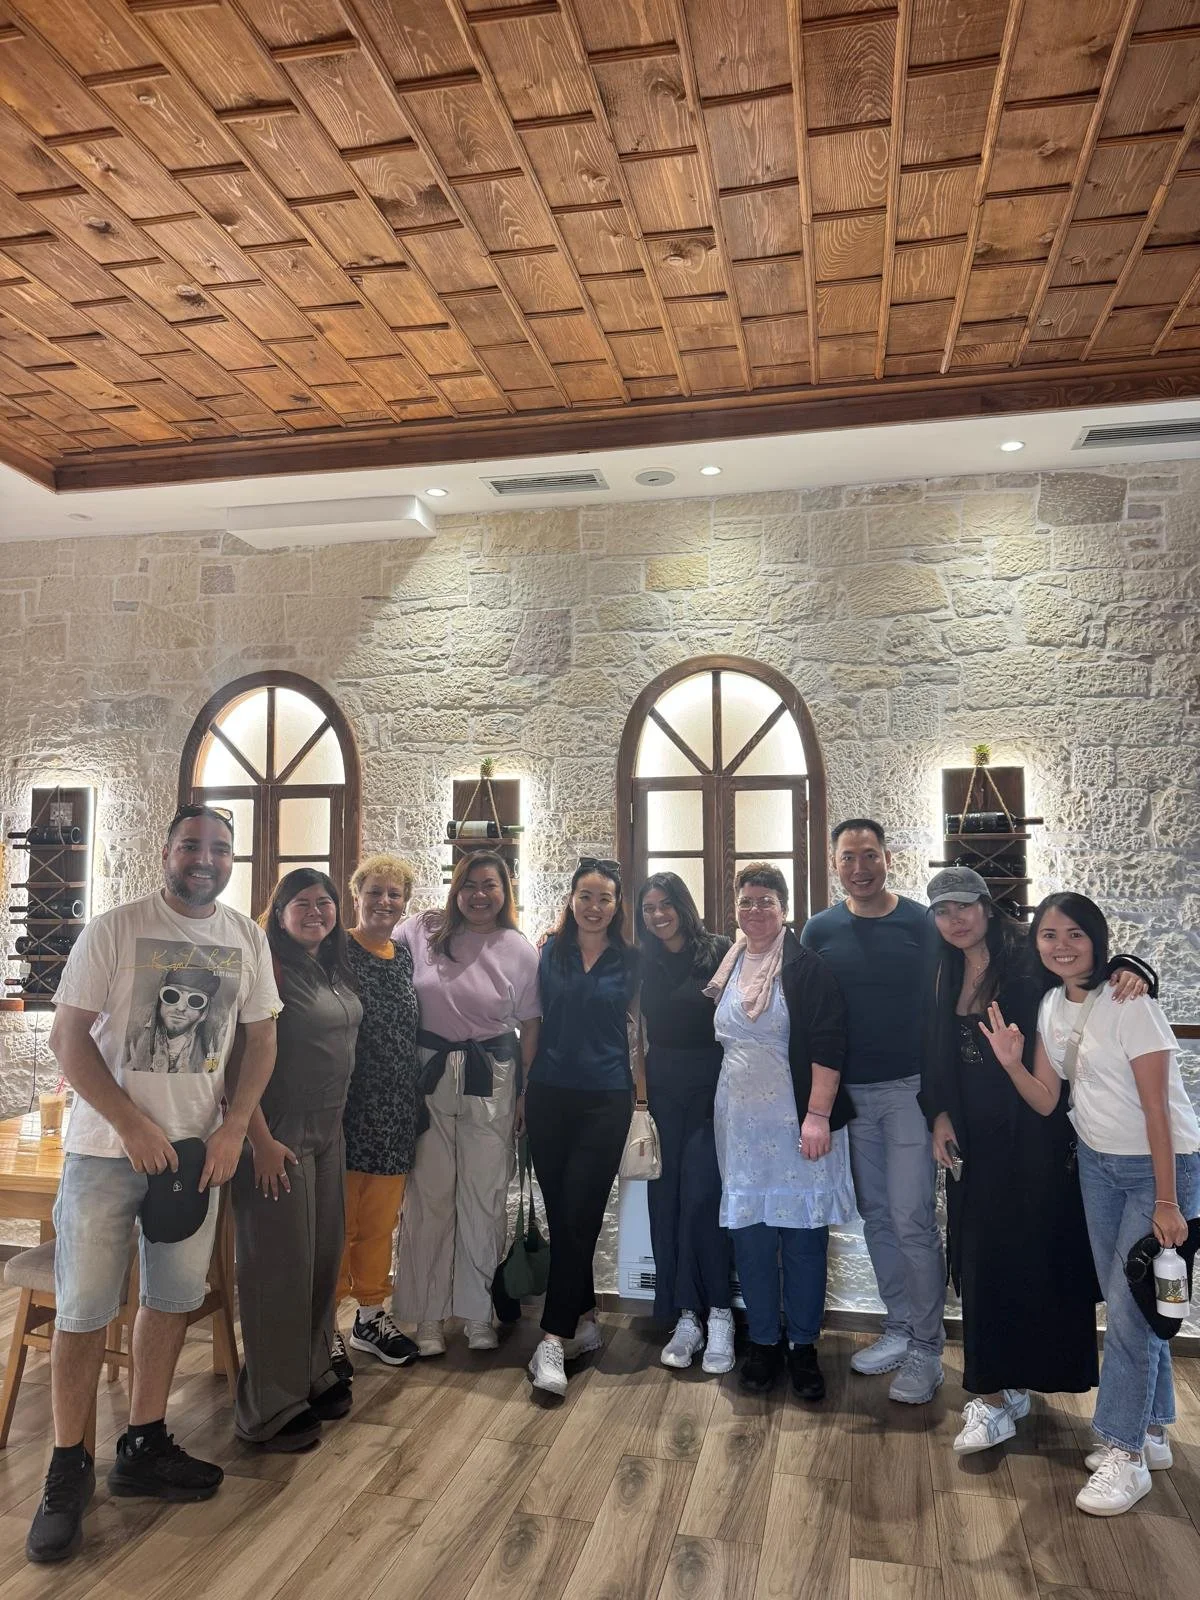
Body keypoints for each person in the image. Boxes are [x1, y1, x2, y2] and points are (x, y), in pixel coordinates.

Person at [28, 804, 280, 1566]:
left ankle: (142, 1443)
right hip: (107, 1153)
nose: (205, 859)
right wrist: (131, 1124)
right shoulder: (115, 929)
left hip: (198, 1155)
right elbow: (67, 1038)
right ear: (165, 852)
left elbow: (262, 1039)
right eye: (191, 846)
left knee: (171, 1301)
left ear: (232, 860)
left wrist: (235, 1127)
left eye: (219, 849)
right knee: (83, 1310)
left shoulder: (245, 937)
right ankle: (67, 1465)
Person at [980, 892, 1200, 1517]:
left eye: (1074, 933)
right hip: (1098, 1167)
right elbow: (1048, 1100)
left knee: (1132, 1315)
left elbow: (1159, 1108)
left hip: (1162, 1167)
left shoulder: (1133, 1003)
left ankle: (1123, 1453)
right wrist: (1008, 1062)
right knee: (1137, 1301)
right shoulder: (1051, 1005)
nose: (1061, 945)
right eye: (1049, 935)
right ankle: (1153, 1428)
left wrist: (1166, 1200)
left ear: (1097, 939)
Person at [923, 868, 1101, 1455]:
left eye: (964, 906)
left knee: (1036, 1256)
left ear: (986, 906)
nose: (955, 919)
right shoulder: (942, 964)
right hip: (974, 1134)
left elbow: (1087, 969)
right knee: (981, 1260)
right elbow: (937, 1047)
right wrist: (940, 1115)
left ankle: (1018, 1388)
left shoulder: (1029, 956)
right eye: (943, 910)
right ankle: (996, 1393)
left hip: (1035, 1130)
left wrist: (1132, 972)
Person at [800, 819, 946, 1404]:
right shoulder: (819, 929)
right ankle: (900, 1327)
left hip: (911, 1092)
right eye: (847, 858)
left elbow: (959, 987)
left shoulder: (921, 923)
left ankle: (929, 1348)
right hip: (851, 1098)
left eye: (869, 855)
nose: (859, 867)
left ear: (887, 858)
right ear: (835, 864)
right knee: (878, 1217)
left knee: (912, 1219)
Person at [707, 862, 853, 1400]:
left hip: (797, 1122)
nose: (755, 910)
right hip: (740, 1123)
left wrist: (817, 1116)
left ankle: (804, 1347)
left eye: (766, 900)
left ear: (785, 909)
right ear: (736, 910)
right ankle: (764, 1342)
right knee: (751, 1237)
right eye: (746, 901)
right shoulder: (727, 965)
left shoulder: (806, 968)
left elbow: (828, 1043)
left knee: (803, 1239)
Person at [232, 869, 362, 1452]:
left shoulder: (330, 967)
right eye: (302, 903)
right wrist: (257, 1139)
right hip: (277, 1134)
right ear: (278, 911)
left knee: (321, 1261)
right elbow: (236, 1062)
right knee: (276, 1269)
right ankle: (268, 1404)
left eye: (326, 902)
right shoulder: (266, 969)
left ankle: (310, 1372)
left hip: (328, 1133)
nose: (317, 911)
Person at [392, 851, 540, 1355]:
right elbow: (381, 961)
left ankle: (479, 1313)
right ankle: (428, 1317)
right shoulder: (423, 929)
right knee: (429, 1195)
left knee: (484, 1194)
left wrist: (525, 1092)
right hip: (428, 1070)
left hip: (492, 1074)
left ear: (505, 892)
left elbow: (532, 1024)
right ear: (456, 889)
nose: (480, 894)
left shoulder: (517, 947)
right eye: (470, 884)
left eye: (491, 885)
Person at [525, 859, 637, 1397]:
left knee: (583, 1209)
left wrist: (644, 1096)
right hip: (549, 1093)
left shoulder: (631, 961)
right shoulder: (548, 952)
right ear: (570, 899)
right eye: (586, 896)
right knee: (565, 1212)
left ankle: (551, 1338)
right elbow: (531, 1021)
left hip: (606, 1097)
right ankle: (586, 1315)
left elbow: (646, 1032)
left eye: (606, 898)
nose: (595, 907)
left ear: (618, 906)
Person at [636, 874, 735, 1374]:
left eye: (665, 904)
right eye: (648, 908)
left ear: (683, 904)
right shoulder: (642, 959)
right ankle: (685, 1315)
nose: (657, 915)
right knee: (665, 1202)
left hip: (712, 1086)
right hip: (661, 1087)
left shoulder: (719, 949)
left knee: (702, 1198)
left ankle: (720, 1311)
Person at [335, 855, 421, 1374]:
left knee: (379, 1223)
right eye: (375, 891)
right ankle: (323, 1328)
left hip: (395, 1110)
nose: (385, 901)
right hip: (345, 1108)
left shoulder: (405, 956)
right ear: (356, 894)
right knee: (338, 1224)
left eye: (394, 894)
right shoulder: (336, 950)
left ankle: (370, 1315)